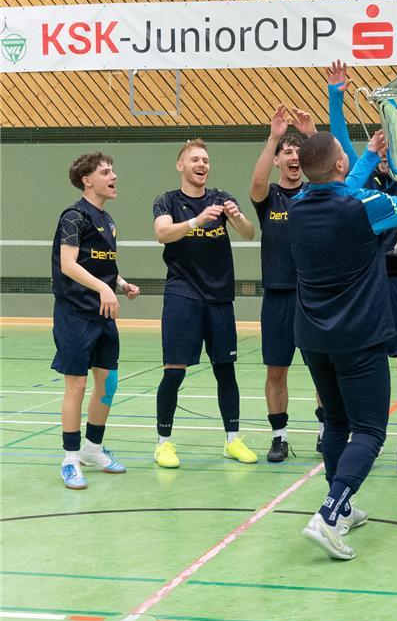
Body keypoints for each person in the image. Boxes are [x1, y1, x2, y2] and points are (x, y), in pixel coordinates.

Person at [290, 127, 397, 560]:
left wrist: (365, 156)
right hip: (357, 335)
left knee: (337, 422)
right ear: (339, 164)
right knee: (371, 429)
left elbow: (342, 188)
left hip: (312, 336)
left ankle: (340, 507)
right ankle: (327, 515)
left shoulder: (297, 204)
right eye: (346, 155)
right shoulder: (364, 208)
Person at [325, 60, 397, 474]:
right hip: (367, 286)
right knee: (358, 363)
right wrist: (336, 95)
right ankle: (352, 431)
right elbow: (339, 138)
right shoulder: (364, 178)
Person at [151, 139, 257, 468]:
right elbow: (162, 233)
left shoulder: (222, 198)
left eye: (206, 160)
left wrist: (236, 217)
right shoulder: (167, 200)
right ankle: (163, 443)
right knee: (174, 372)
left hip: (219, 297)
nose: (202, 164)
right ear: (181, 166)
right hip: (183, 294)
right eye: (195, 159)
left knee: (226, 371)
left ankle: (232, 440)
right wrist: (197, 221)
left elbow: (249, 233)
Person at [51, 153, 140, 489]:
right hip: (75, 313)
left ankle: (93, 448)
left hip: (103, 314)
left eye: (113, 170)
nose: (113, 175)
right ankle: (70, 458)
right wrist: (105, 287)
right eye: (105, 172)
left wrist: (120, 283)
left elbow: (101, 264)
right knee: (76, 385)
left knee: (109, 384)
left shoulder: (108, 220)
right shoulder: (74, 217)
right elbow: (69, 264)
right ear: (87, 180)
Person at [249, 105, 318, 462]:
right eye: (286, 152)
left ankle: (327, 429)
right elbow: (256, 184)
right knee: (277, 369)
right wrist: (274, 136)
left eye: (298, 152)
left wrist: (311, 135)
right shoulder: (270, 197)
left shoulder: (316, 192)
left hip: (314, 295)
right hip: (277, 296)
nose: (293, 156)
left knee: (324, 365)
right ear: (277, 161)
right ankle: (279, 436)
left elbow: (336, 170)